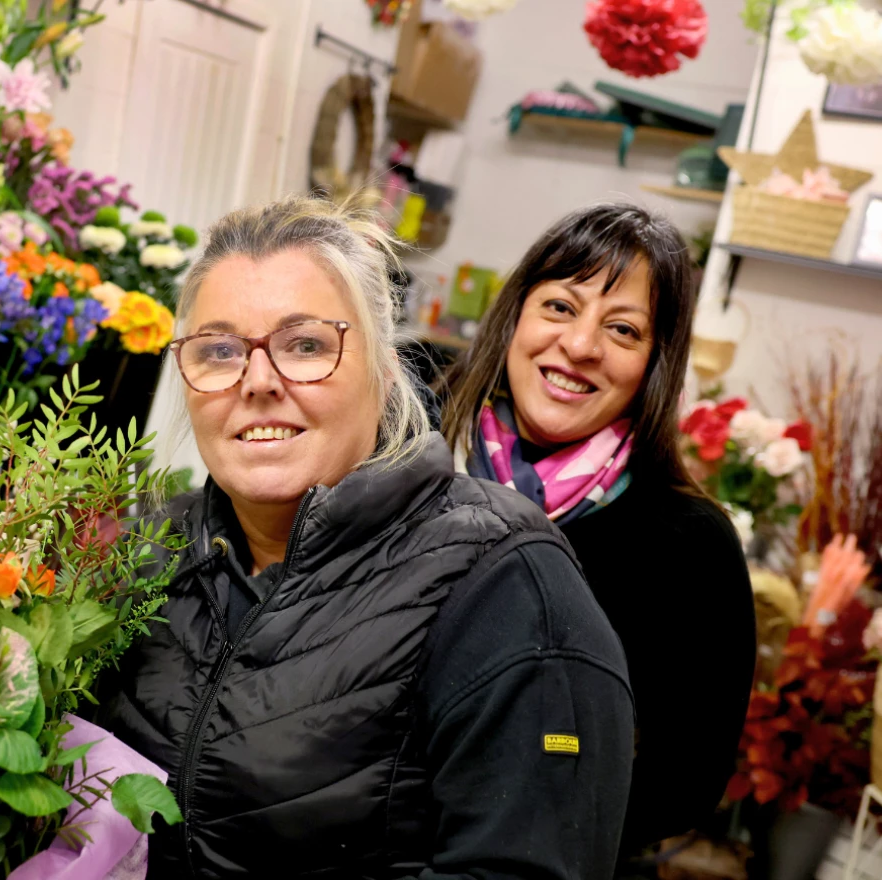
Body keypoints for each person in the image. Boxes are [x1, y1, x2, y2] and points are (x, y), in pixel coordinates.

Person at [103, 197, 636, 879]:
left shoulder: (504, 583)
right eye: (219, 351)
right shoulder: (142, 551)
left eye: (306, 346)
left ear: (385, 376)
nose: (258, 381)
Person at [439, 203, 755, 858]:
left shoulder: (690, 546)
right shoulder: (411, 460)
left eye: (622, 329)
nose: (581, 346)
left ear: (654, 364)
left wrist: (517, 837)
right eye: (559, 306)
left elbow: (686, 781)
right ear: (516, 315)